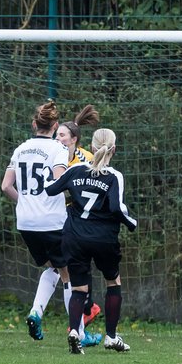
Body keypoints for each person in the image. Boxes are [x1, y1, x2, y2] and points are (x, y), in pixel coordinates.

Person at [45, 128, 138, 354]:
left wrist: (50, 172)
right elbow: (116, 207)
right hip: (103, 238)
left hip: (75, 237)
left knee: (79, 288)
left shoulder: (76, 170)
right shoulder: (114, 176)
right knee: (113, 283)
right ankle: (111, 337)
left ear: (92, 148)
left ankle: (75, 332)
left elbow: (51, 189)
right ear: (113, 149)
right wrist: (130, 222)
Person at [1, 101, 70, 342]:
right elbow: (59, 183)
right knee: (70, 273)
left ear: (34, 124)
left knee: (53, 267)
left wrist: (25, 202)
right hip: (52, 221)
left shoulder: (20, 149)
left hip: (27, 223)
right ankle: (78, 333)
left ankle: (36, 312)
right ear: (56, 126)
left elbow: (6, 186)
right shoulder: (59, 149)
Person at [55, 105, 103, 346]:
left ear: (74, 139)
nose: (58, 138)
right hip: (61, 218)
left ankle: (84, 311)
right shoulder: (55, 156)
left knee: (68, 266)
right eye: (57, 135)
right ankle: (86, 308)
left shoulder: (87, 158)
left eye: (62, 135)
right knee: (62, 267)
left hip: (81, 218)